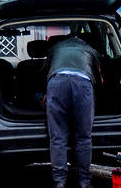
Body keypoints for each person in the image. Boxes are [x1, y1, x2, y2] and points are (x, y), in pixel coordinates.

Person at [43, 34, 102, 188]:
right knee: (83, 137)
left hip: (57, 84)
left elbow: (44, 72)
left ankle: (59, 181)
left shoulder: (55, 48)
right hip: (83, 84)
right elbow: (100, 78)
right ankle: (84, 182)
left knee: (58, 137)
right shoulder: (91, 50)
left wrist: (46, 93)